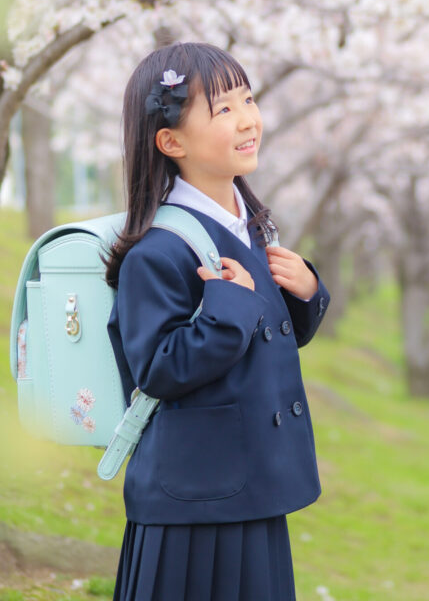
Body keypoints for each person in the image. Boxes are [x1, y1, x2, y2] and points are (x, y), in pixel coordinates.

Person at [105, 41, 330, 601]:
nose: (247, 118)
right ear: (171, 141)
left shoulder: (251, 228)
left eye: (247, 99)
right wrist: (231, 306)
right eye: (222, 109)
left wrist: (306, 292)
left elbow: (265, 338)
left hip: (249, 483)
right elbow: (158, 370)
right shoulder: (156, 251)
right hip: (193, 504)